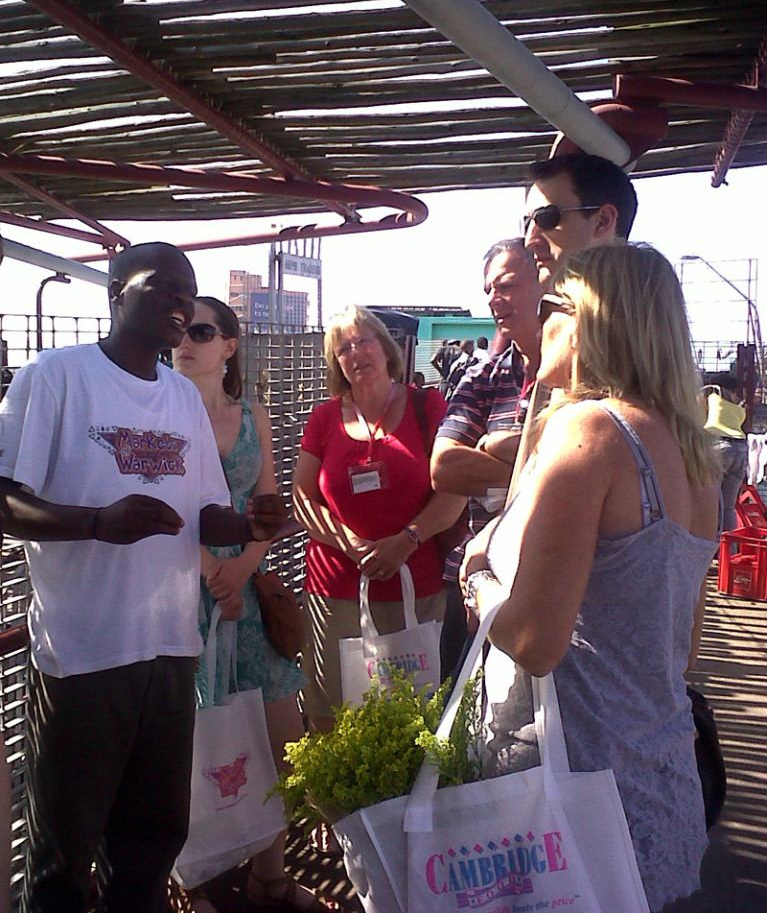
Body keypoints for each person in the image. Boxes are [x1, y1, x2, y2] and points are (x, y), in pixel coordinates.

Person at [0, 243, 286, 913]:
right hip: (82, 655)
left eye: (188, 293)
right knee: (64, 857)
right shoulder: (56, 376)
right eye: (162, 287)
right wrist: (96, 521)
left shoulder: (182, 398)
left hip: (169, 649)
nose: (180, 305)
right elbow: (6, 498)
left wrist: (248, 523)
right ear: (115, 293)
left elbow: (203, 514)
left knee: (154, 841)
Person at [462, 243, 720, 912]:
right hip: (657, 783)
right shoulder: (694, 459)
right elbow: (679, 649)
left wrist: (477, 579)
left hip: (561, 793)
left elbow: (534, 643)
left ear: (585, 320)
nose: (535, 320)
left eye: (550, 304)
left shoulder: (588, 433)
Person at [172, 297, 322, 913]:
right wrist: (213, 574)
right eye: (179, 331)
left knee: (282, 738)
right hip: (181, 597)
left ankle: (270, 874)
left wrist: (238, 572)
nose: (186, 341)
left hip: (244, 596)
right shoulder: (160, 412)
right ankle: (189, 883)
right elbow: (160, 507)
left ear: (230, 345)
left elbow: (270, 511)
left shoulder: (254, 414)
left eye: (201, 330)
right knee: (185, 742)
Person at [293, 305, 466, 734]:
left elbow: (455, 491)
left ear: (386, 349)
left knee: (413, 714)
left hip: (415, 590)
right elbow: (301, 499)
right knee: (333, 711)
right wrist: (350, 543)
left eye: (363, 340)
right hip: (335, 590)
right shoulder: (323, 418)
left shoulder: (428, 405)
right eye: (343, 348)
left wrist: (406, 540)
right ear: (337, 364)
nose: (355, 353)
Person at [430, 238, 540, 678]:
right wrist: (547, 466)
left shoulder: (586, 377)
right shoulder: (483, 377)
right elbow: (445, 468)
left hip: (554, 595)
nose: (495, 299)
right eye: (489, 290)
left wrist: (494, 445)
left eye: (507, 284)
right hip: (478, 586)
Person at [523, 152, 638, 288]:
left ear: (603, 221)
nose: (529, 242)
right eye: (526, 223)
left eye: (546, 217)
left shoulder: (649, 305)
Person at [702, 372, 747, 534]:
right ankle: (729, 551)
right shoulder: (741, 405)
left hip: (719, 446)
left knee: (710, 502)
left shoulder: (713, 395)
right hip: (741, 449)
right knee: (728, 507)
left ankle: (709, 546)